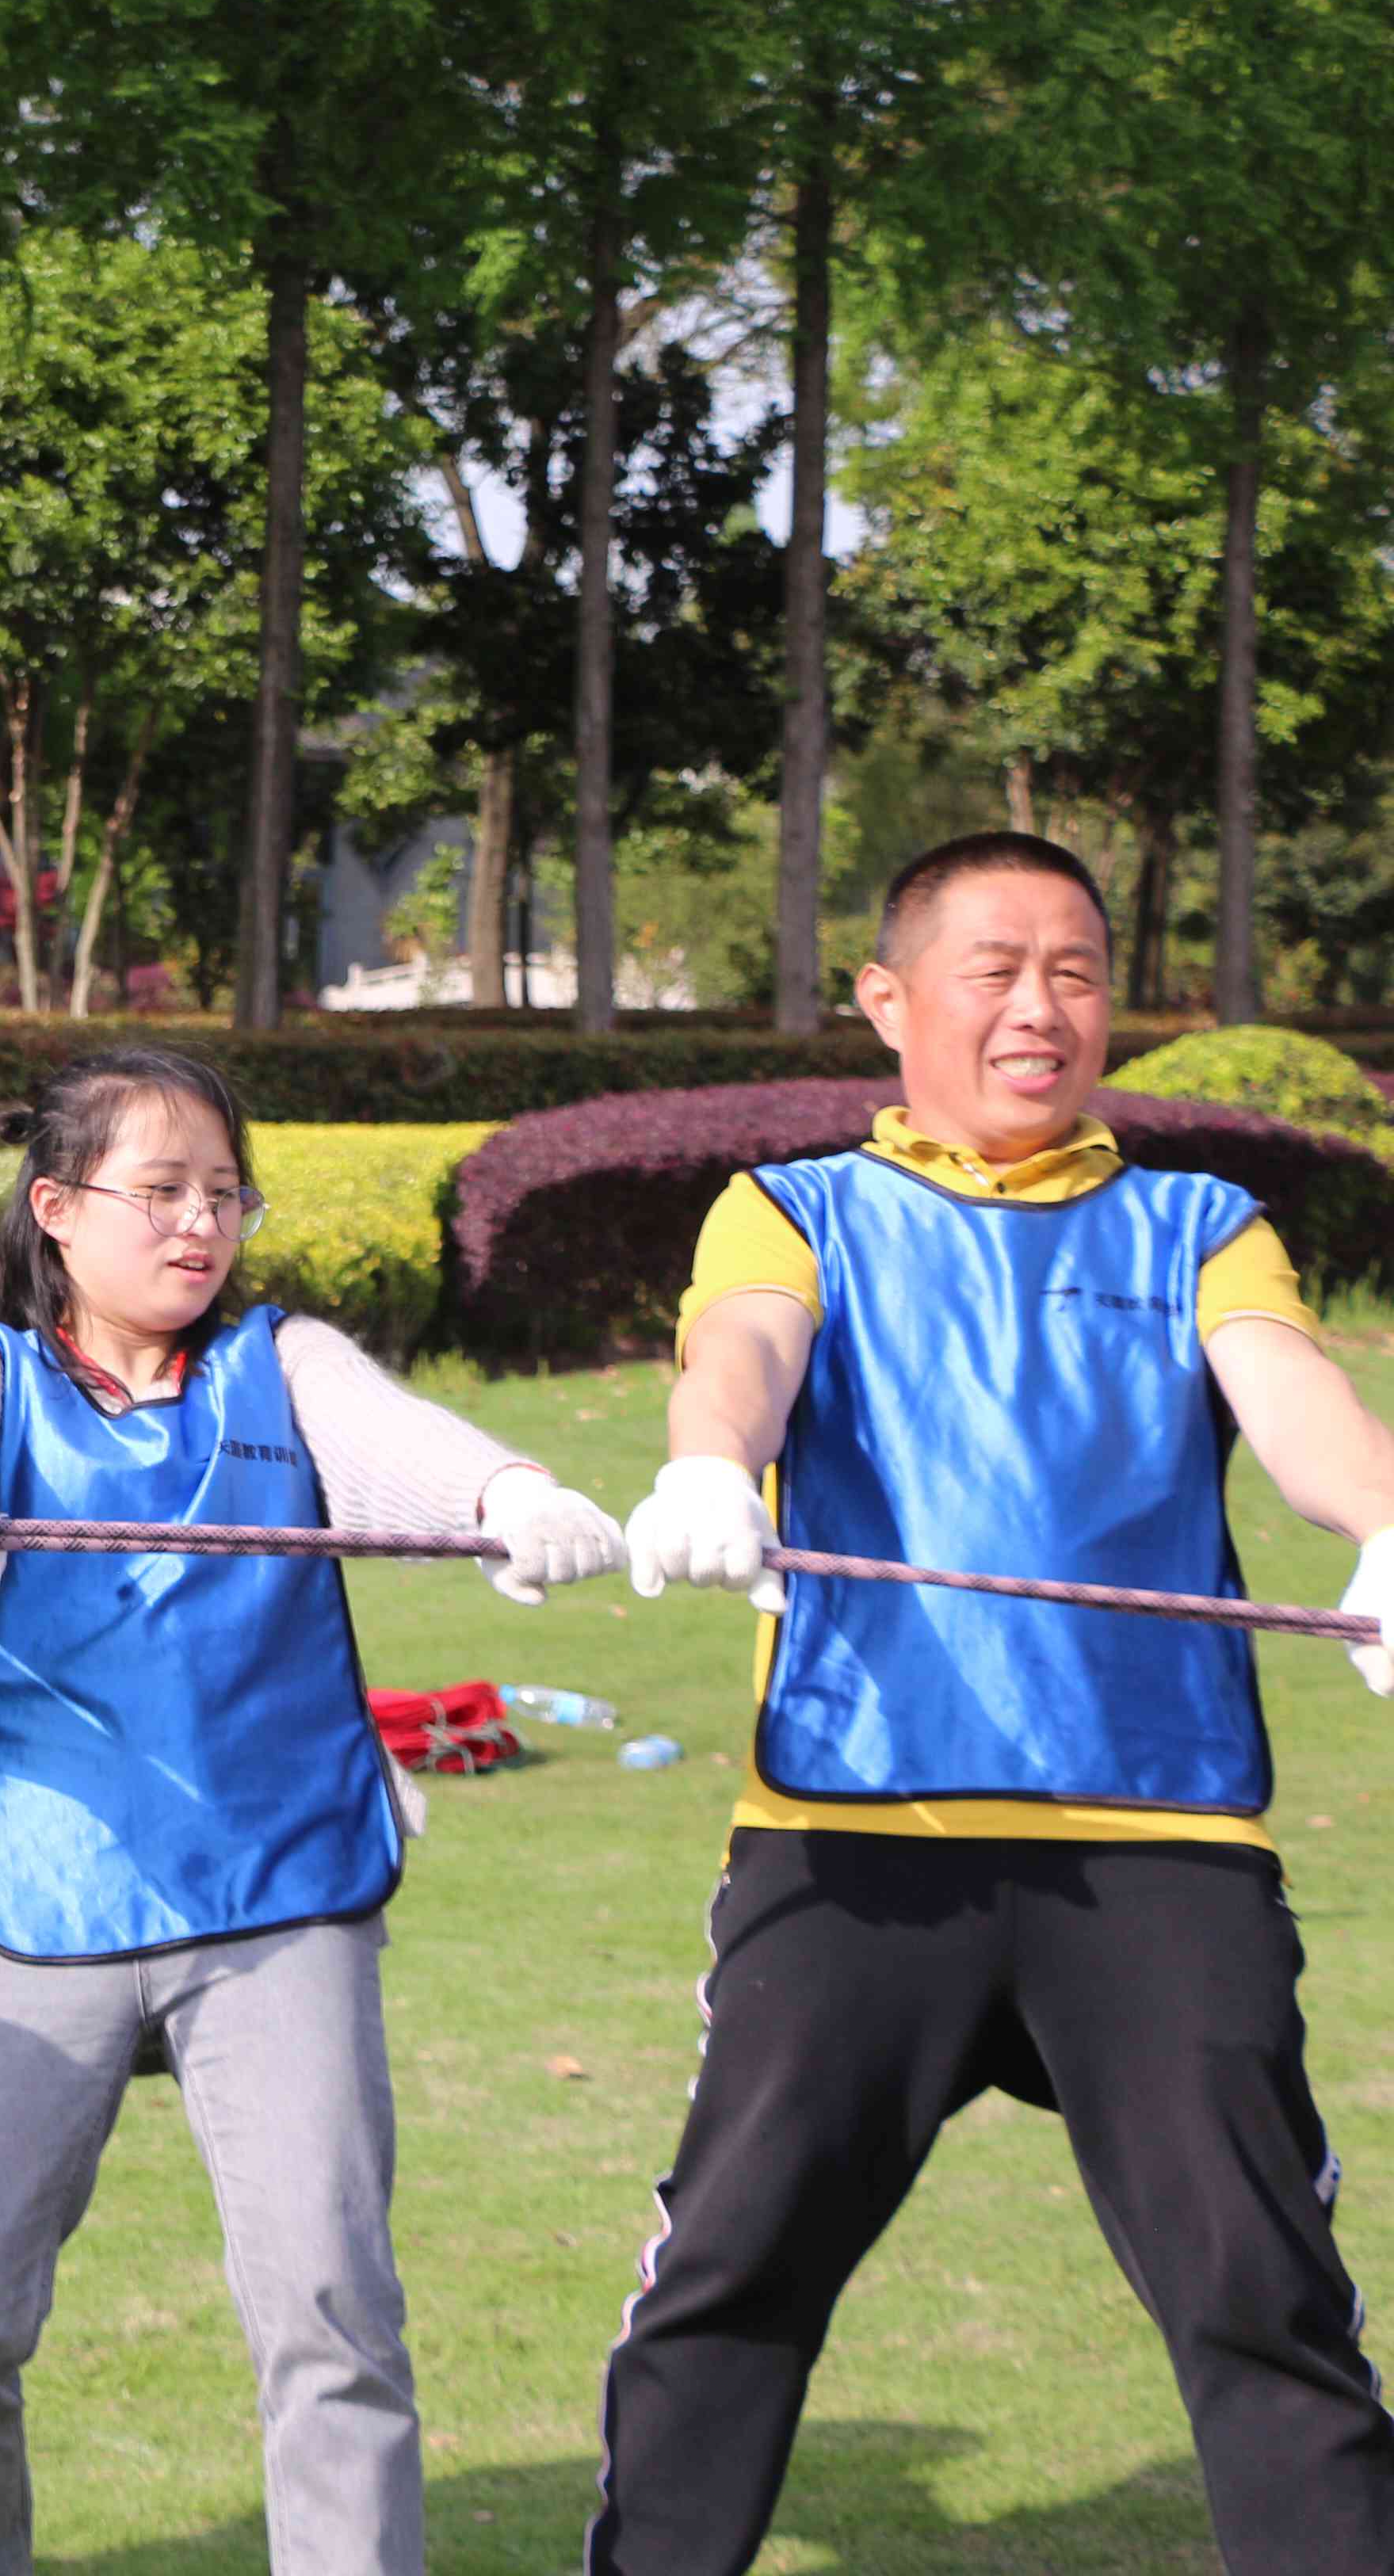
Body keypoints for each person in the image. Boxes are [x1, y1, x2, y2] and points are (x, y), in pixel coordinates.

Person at [595, 831, 1394, 2574]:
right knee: (732, 2277)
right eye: (997, 970)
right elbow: (743, 1354)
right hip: (858, 1838)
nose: (1043, 1008)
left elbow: (1301, 1411)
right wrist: (708, 1463)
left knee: (1263, 2294)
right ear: (890, 1000)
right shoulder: (795, 1207)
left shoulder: (1200, 1226)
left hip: (1158, 1844)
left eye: (1077, 972)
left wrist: (1391, 1529)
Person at [0, 1048, 623, 2576]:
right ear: (58, 1208)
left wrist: (509, 1496)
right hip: (33, 1890)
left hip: (281, 1887)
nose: (201, 1224)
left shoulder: (288, 1361)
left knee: (333, 2309)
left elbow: (405, 1450)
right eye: (162, 1191)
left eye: (225, 1193)